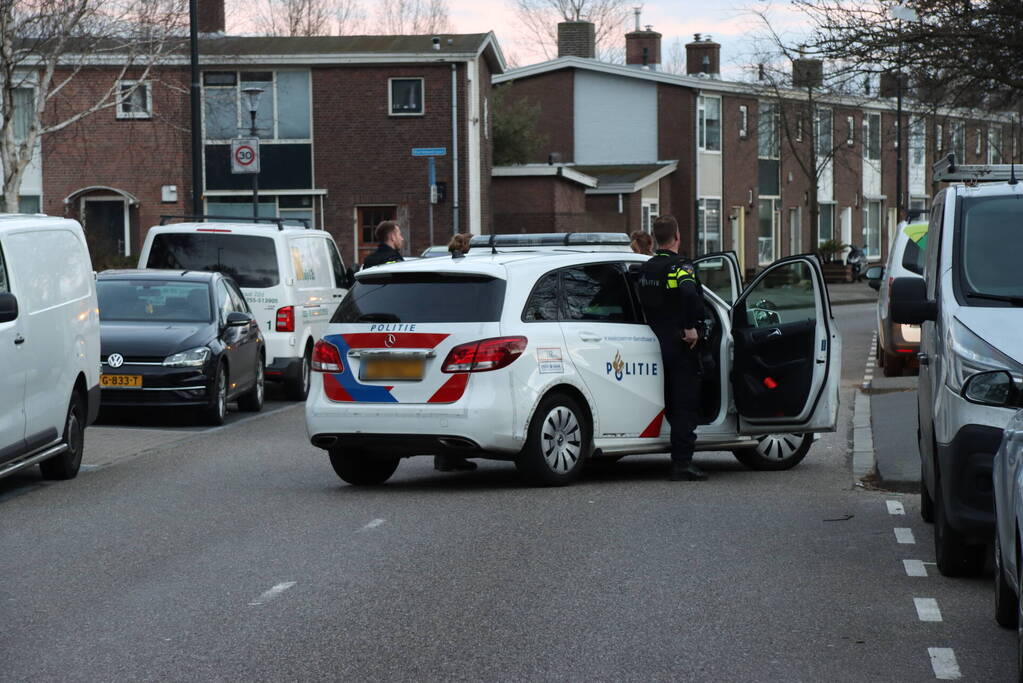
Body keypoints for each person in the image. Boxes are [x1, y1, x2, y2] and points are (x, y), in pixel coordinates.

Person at [636, 215, 708, 481]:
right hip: (680, 343)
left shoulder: (645, 268)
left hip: (654, 340)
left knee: (668, 400)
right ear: (677, 237)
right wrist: (691, 327)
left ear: (656, 239)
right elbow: (689, 294)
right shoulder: (680, 267)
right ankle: (682, 463)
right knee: (684, 404)